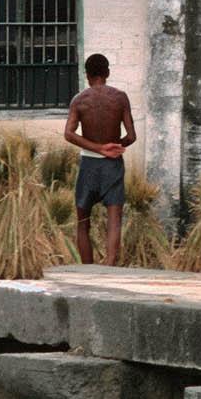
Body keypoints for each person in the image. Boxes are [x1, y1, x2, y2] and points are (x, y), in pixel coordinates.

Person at [61, 52, 136, 265]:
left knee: (83, 222)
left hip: (88, 164)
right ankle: (110, 266)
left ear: (86, 75)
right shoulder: (120, 97)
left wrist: (97, 148)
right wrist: (112, 147)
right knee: (114, 220)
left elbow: (69, 134)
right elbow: (131, 136)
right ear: (108, 73)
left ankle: (87, 270)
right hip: (113, 164)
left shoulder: (79, 100)